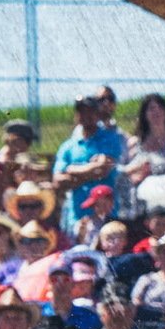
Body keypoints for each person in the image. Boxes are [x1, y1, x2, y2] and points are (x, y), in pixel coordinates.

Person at [52, 94, 124, 234]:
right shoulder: (68, 147)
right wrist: (92, 170)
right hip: (77, 217)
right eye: (81, 111)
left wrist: (72, 170)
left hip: (106, 216)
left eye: (90, 111)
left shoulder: (110, 138)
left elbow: (104, 169)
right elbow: (58, 181)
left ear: (98, 114)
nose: (86, 115)